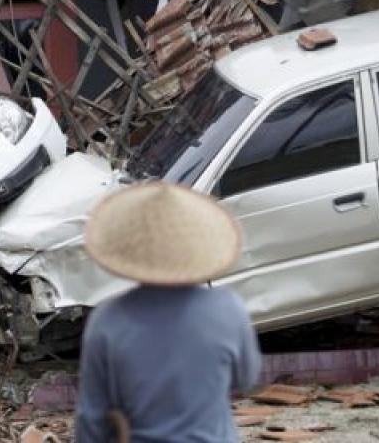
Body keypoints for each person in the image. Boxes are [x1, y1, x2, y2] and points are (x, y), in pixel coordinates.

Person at [75, 182, 262, 443]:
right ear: (198, 248)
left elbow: (91, 418)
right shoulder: (229, 309)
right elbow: (246, 378)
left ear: (131, 252)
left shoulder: (107, 321)